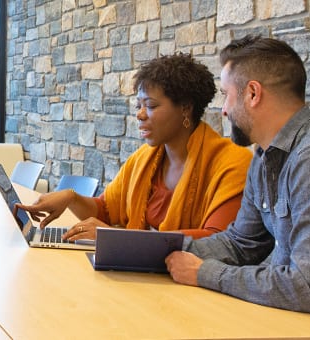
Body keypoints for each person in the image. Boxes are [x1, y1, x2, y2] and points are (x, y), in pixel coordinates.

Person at [165, 35, 310, 326]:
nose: (223, 110)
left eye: (226, 94)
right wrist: (153, 250)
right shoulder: (264, 156)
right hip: (298, 321)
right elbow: (242, 243)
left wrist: (205, 273)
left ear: (253, 93)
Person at [18, 53, 252, 240]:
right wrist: (70, 198)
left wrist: (120, 239)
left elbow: (217, 241)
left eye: (150, 105)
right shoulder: (145, 158)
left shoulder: (231, 163)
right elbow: (107, 211)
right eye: (139, 105)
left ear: (185, 108)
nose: (140, 115)